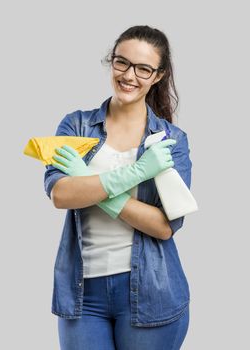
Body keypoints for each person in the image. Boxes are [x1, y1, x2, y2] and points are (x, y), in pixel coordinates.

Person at [44, 25, 192, 350]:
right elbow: (60, 194)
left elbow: (164, 226)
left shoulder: (171, 142)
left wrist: (92, 185)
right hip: (82, 295)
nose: (129, 75)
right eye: (121, 62)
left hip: (152, 292)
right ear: (111, 61)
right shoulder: (77, 125)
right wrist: (136, 174)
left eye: (143, 68)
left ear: (158, 75)